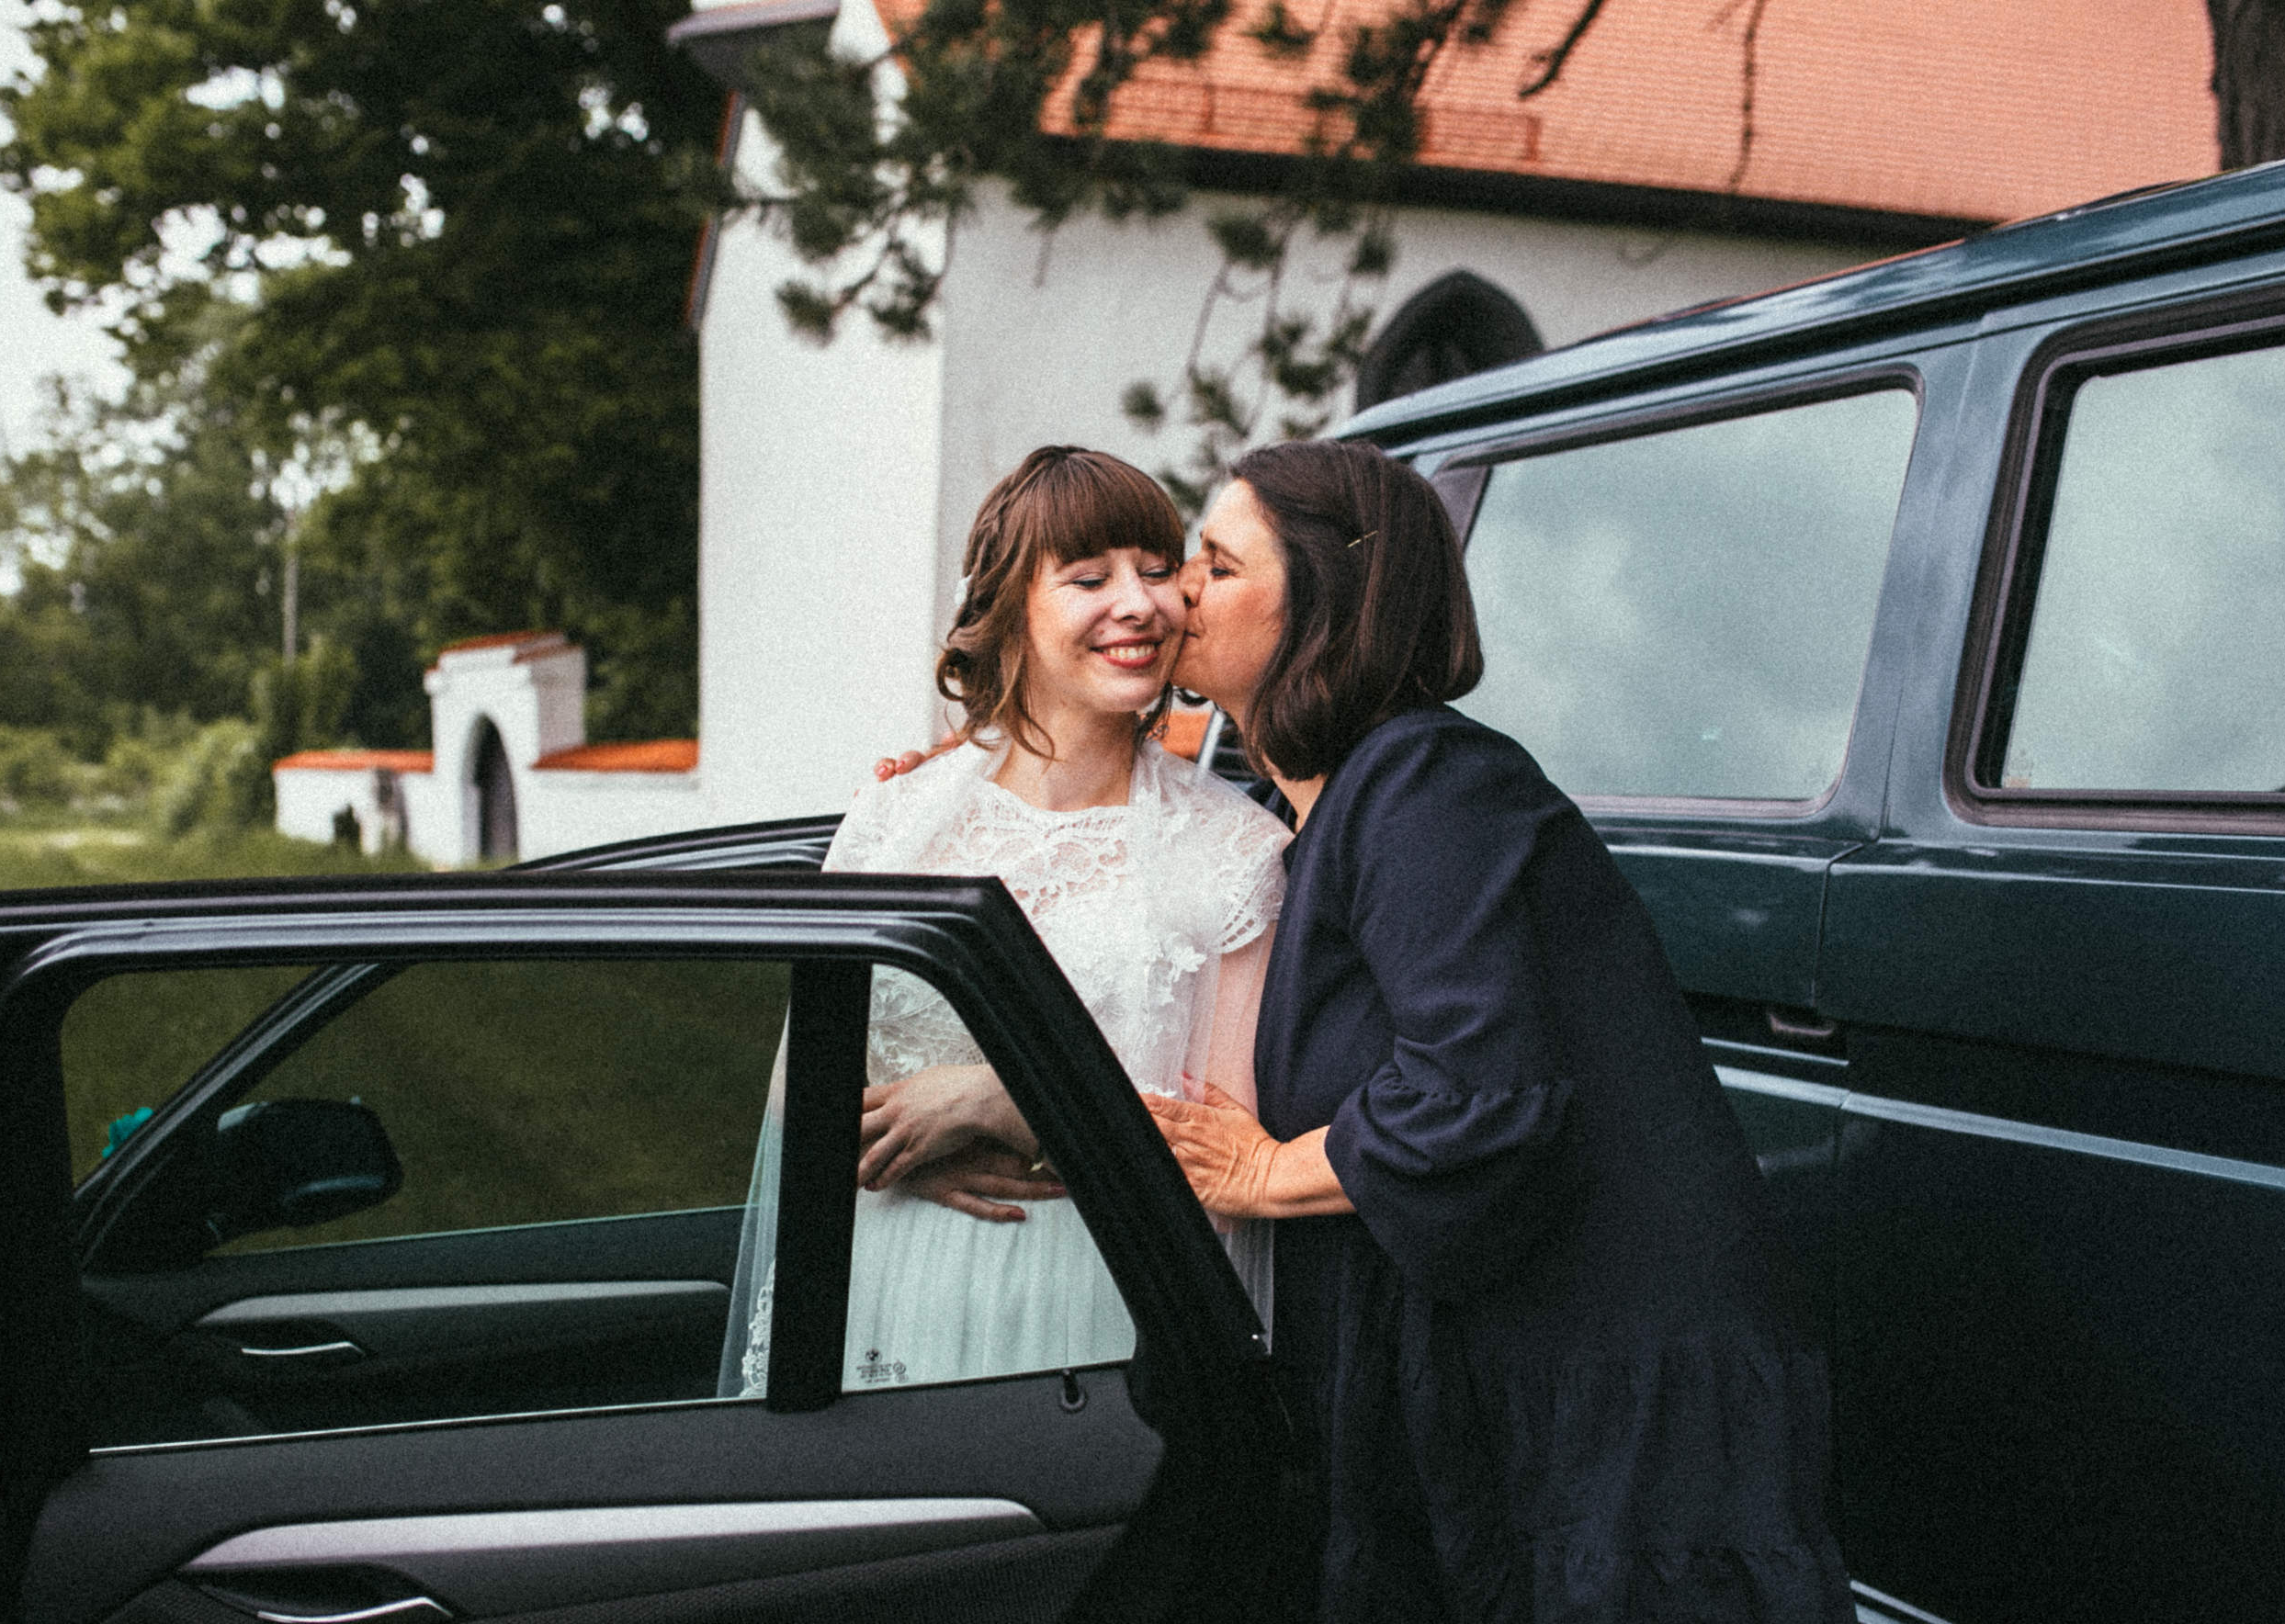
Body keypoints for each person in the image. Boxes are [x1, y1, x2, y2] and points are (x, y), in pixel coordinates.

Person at [1142, 439, 1854, 1623]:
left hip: (1611, 1395)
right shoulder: (1296, 816)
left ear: (1327, 602)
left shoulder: (1426, 782)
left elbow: (1475, 1092)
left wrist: (1267, 1172)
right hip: (1499, 1387)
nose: (1179, 592)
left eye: (1218, 564)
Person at [722, 445, 1288, 1398]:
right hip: (888, 1282)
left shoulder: (1235, 852)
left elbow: (1231, 1158)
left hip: (1102, 1303)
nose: (1139, 603)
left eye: (1158, 570)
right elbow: (799, 1085)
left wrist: (1006, 1102)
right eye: (1089, 578)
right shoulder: (897, 818)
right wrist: (896, 1153)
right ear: (1010, 608)